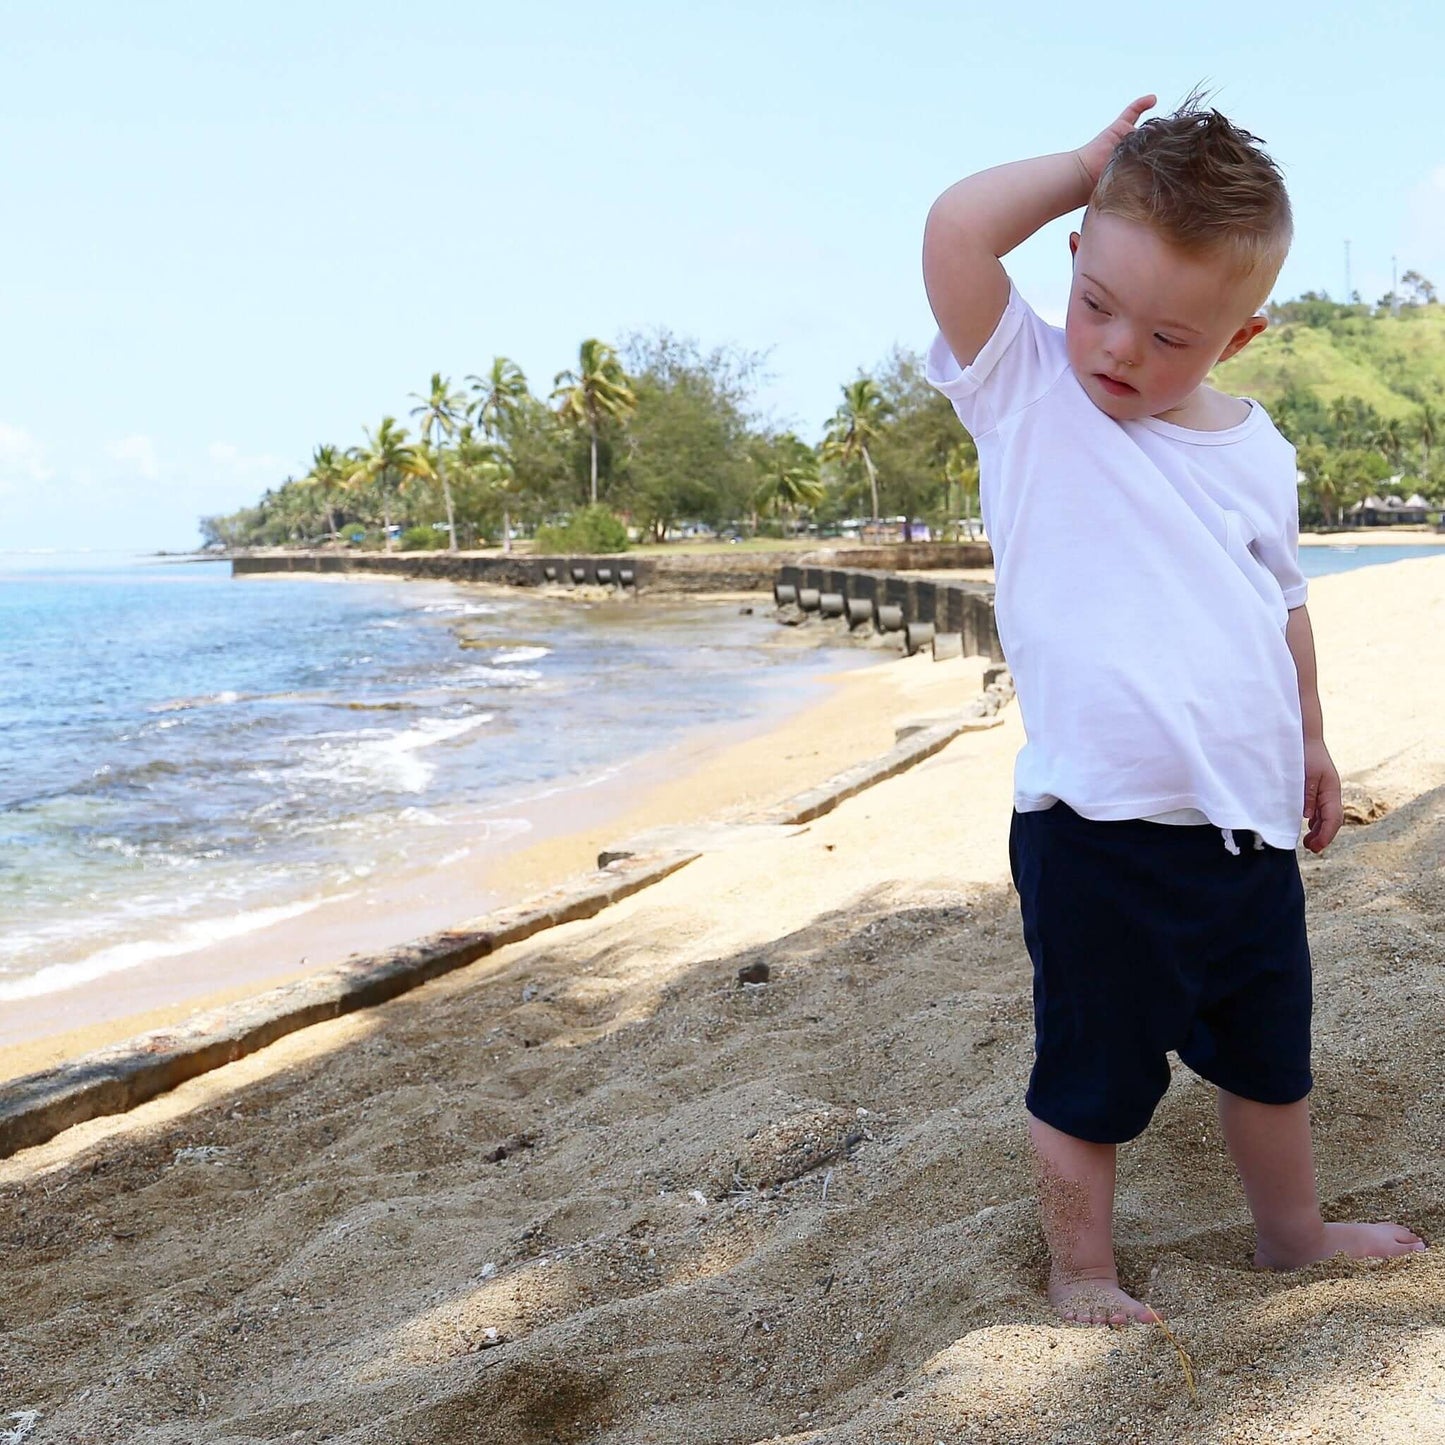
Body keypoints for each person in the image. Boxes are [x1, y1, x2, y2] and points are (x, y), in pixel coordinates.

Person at [922, 94, 1425, 1327]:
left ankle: (1289, 1234)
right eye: (1095, 303)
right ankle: (1080, 1267)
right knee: (1088, 1070)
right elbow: (952, 232)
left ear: (1236, 338)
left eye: (1167, 336)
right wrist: (1081, 167)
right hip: (1094, 830)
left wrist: (1310, 741)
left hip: (1241, 829)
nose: (1117, 350)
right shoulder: (1027, 388)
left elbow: (1280, 605)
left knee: (1268, 1057)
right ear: (1070, 259)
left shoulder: (1255, 449)